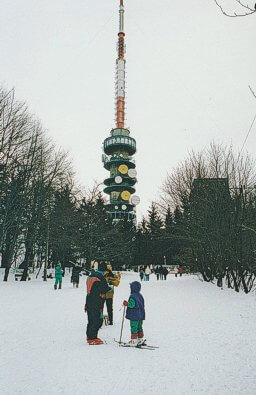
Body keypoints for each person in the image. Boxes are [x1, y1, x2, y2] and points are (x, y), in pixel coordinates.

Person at [85, 262, 111, 345]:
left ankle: (90, 336)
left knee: (91, 319)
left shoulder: (91, 275)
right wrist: (108, 288)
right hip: (96, 300)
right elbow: (104, 289)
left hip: (89, 299)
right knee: (98, 319)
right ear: (104, 271)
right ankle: (92, 338)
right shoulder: (100, 277)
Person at [123, 281, 145, 346]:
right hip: (140, 314)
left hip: (134, 315)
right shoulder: (140, 295)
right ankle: (140, 338)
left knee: (134, 327)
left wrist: (127, 304)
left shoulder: (132, 296)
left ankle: (134, 340)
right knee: (139, 327)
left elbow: (132, 305)